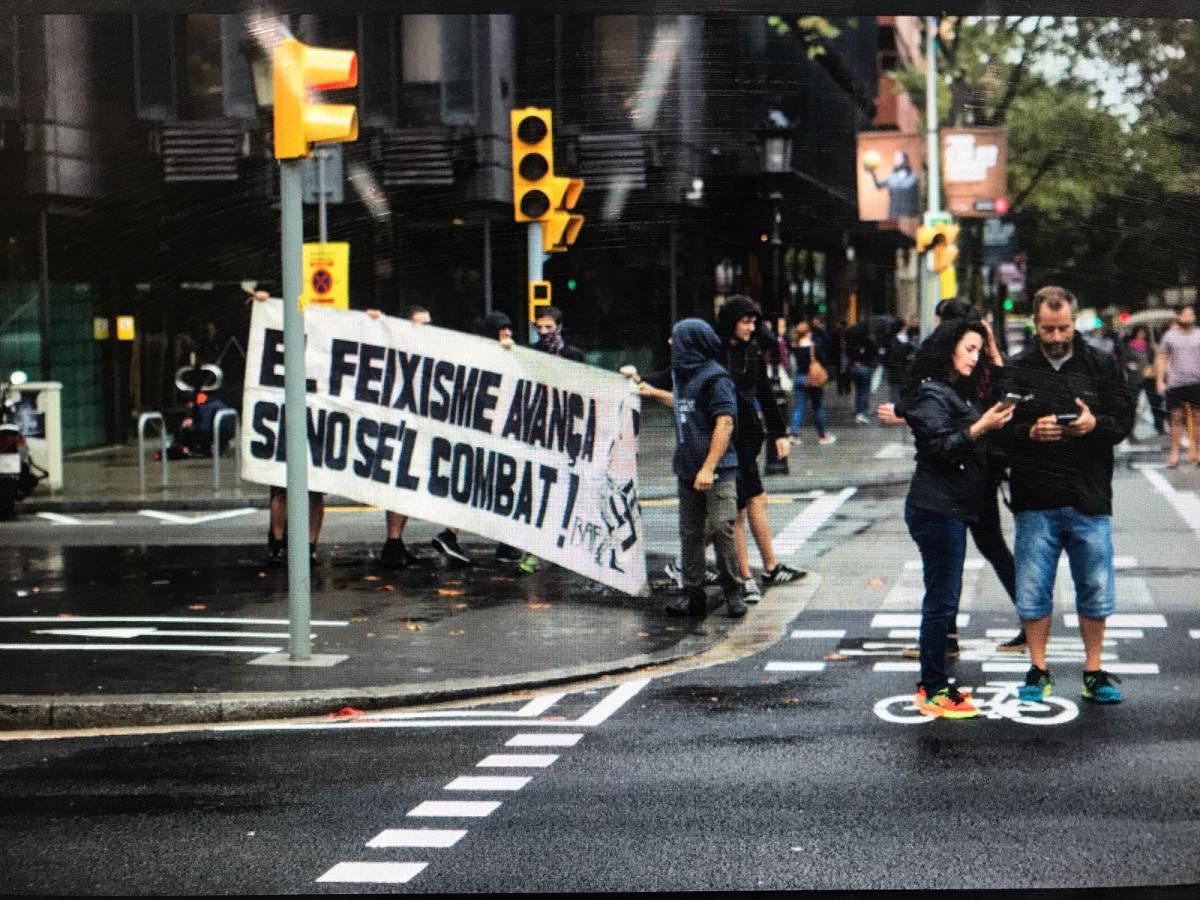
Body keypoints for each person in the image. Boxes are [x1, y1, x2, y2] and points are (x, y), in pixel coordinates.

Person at [1002, 286, 1135, 705]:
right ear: (1034, 324)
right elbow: (997, 430)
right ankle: (1038, 669)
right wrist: (1028, 431)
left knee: (1095, 588)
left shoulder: (1102, 364)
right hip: (1034, 498)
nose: (1057, 337)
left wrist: (1095, 425)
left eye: (1063, 328)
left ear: (1075, 321)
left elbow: (1124, 423)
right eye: (1048, 328)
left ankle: (1093, 670)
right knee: (1032, 590)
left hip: (1089, 496)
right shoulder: (1018, 367)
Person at [878, 302, 1024, 655]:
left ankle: (1026, 618)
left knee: (973, 557)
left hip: (973, 478)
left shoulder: (974, 373)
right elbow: (936, 414)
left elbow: (955, 423)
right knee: (957, 562)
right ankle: (949, 639)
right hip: (961, 481)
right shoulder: (949, 381)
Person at [903, 318, 1015, 718]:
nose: (975, 357)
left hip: (952, 507)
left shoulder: (956, 391)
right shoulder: (932, 393)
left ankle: (934, 683)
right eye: (969, 349)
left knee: (943, 597)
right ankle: (933, 688)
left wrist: (996, 364)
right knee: (941, 600)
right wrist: (981, 426)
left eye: (978, 350)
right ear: (949, 348)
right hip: (937, 509)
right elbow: (939, 448)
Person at [715, 296, 806, 595]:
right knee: (737, 509)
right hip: (725, 439)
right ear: (731, 322)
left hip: (746, 440)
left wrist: (779, 432)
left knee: (755, 500)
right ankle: (745, 577)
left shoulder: (751, 351)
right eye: (746, 321)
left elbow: (765, 393)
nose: (751, 327)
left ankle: (768, 567)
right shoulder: (716, 352)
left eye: (754, 322)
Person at [663, 318, 747, 619]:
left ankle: (733, 592)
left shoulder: (716, 378)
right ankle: (693, 594)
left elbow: (725, 422)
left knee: (723, 528)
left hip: (718, 470)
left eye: (676, 338)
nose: (671, 344)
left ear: (691, 342)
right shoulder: (681, 375)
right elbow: (682, 404)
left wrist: (709, 468)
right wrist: (647, 390)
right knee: (690, 534)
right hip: (687, 468)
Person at [375, 304, 469, 568]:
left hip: (431, 429)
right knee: (399, 480)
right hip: (402, 425)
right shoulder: (397, 349)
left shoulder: (438, 350)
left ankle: (440, 536)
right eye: (421, 324)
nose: (427, 329)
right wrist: (376, 322)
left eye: (430, 323)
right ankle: (393, 543)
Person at [252, 291, 325, 566]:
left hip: (316, 420)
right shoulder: (281, 334)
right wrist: (263, 303)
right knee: (281, 488)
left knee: (315, 489)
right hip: (283, 419)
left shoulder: (321, 336)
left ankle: (308, 546)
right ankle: (279, 542)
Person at [1156, 304, 1200, 468]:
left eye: (1191, 314)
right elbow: (1162, 358)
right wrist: (1160, 381)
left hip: (1196, 382)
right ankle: (1174, 453)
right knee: (1175, 419)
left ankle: (1197, 451)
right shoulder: (1170, 336)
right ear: (1179, 317)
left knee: (1198, 419)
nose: (1188, 317)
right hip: (1176, 383)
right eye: (1185, 315)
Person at [788, 321, 836, 445]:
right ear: (808, 332)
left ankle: (793, 434)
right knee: (817, 407)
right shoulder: (813, 346)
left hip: (799, 378)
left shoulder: (794, 346)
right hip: (813, 379)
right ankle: (822, 435)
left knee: (799, 407)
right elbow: (823, 359)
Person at [864, 149, 921, 220]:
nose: (896, 160)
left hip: (910, 216)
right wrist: (872, 174)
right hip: (894, 215)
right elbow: (878, 186)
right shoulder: (891, 177)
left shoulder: (914, 177)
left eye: (899, 158)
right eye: (896, 158)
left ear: (905, 159)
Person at [882, 318, 915, 405]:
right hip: (905, 373)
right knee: (904, 397)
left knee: (894, 396)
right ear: (903, 327)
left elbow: (885, 358)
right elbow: (911, 357)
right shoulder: (909, 342)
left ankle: (894, 413)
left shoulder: (891, 340)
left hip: (894, 373)